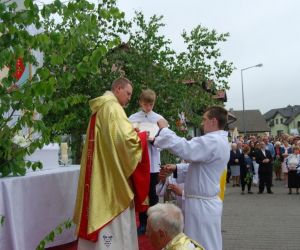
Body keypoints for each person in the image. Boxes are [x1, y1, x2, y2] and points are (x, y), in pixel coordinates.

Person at [73, 77, 150, 250]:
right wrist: (142, 137)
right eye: (128, 93)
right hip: (112, 181)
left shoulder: (100, 107)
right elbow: (126, 141)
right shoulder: (114, 108)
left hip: (101, 173)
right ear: (118, 89)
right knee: (114, 224)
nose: (130, 98)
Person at [154, 106, 230, 250]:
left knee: (201, 243)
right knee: (203, 242)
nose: (202, 123)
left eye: (204, 120)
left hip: (202, 205)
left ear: (213, 121)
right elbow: (200, 167)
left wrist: (164, 130)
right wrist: (176, 168)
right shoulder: (219, 140)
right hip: (203, 202)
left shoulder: (212, 141)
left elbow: (187, 149)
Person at [128, 88, 165, 235]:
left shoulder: (159, 119)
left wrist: (154, 140)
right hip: (139, 162)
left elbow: (165, 140)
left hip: (153, 162)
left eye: (150, 105)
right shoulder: (132, 118)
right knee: (141, 194)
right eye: (145, 105)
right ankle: (143, 223)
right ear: (140, 102)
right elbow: (127, 138)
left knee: (153, 194)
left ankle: (154, 224)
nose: (148, 108)